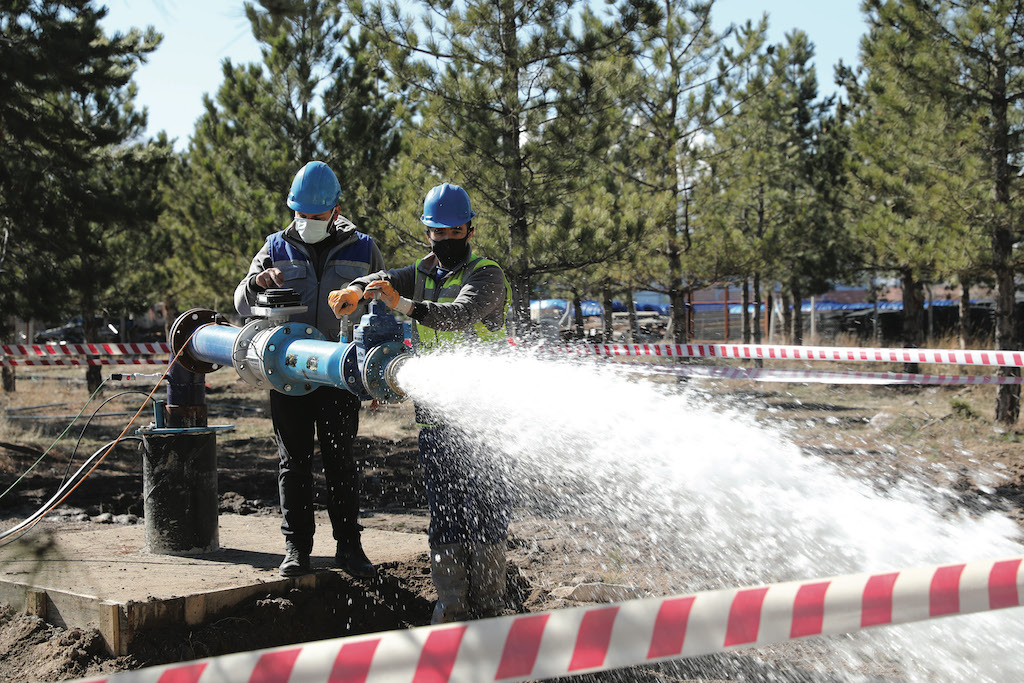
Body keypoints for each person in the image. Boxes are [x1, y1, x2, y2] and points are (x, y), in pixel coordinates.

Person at [328, 182, 512, 623]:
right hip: (436, 421)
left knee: (485, 516)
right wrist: (356, 290)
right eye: (438, 233)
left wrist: (404, 304)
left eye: (454, 232)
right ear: (427, 232)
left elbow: (458, 316)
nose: (446, 240)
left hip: (485, 419)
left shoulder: (487, 275)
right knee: (445, 516)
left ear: (469, 229)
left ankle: (489, 610)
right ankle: (452, 610)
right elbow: (382, 281)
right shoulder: (421, 270)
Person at [235, 160, 385, 579]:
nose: (307, 223)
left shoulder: (363, 248)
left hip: (339, 373)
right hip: (288, 375)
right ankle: (296, 548)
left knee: (341, 462)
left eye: (316, 216)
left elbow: (380, 307)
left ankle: (349, 548)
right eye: (300, 215)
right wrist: (257, 282)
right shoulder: (275, 245)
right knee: (293, 462)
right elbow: (241, 302)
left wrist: (372, 377)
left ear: (335, 211)